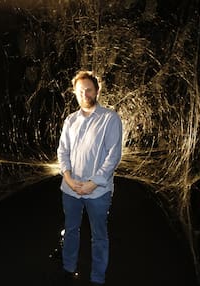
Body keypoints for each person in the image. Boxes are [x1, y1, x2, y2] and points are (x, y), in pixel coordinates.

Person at [57, 70, 122, 285]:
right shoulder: (70, 120)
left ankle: (97, 278)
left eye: (89, 90)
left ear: (97, 90)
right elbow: (62, 151)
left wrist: (93, 183)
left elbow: (113, 156)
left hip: (98, 192)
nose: (84, 94)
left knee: (99, 236)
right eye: (80, 91)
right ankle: (68, 268)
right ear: (74, 93)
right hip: (70, 189)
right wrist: (68, 178)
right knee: (72, 229)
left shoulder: (109, 119)